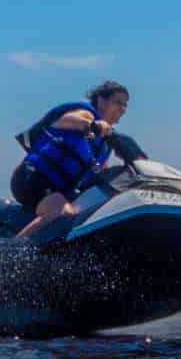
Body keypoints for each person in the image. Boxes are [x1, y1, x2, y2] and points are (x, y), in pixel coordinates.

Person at [10, 81, 129, 240]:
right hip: (33, 179)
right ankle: (14, 252)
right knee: (62, 212)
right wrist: (93, 125)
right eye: (118, 102)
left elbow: (100, 174)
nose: (122, 109)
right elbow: (71, 120)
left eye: (125, 105)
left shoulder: (105, 146)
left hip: (58, 191)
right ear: (101, 100)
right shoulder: (85, 114)